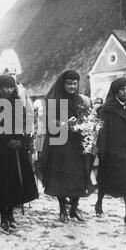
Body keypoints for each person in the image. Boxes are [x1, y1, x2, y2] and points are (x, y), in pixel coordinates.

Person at [0, 74, 38, 233]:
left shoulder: (17, 103)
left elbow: (25, 123)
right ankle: (3, 217)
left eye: (10, 87)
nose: (8, 90)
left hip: (15, 151)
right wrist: (3, 142)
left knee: (14, 184)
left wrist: (21, 141)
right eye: (4, 87)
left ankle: (11, 215)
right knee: (1, 185)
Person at [40, 70, 93, 223]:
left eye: (74, 83)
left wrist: (88, 125)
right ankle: (63, 208)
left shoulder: (80, 100)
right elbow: (50, 123)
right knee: (61, 177)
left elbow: (85, 118)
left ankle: (74, 208)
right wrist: (64, 124)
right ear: (63, 84)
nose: (72, 86)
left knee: (78, 175)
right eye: (69, 83)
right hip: (60, 146)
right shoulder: (54, 101)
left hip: (77, 144)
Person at [96, 77, 126, 227]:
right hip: (111, 151)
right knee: (104, 180)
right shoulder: (107, 109)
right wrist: (102, 150)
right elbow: (103, 132)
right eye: (122, 89)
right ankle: (99, 203)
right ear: (115, 92)